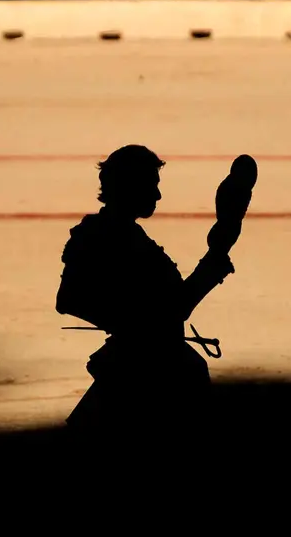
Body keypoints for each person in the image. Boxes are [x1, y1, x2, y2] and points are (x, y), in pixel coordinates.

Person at [56, 145, 236, 440]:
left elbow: (173, 307)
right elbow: (69, 299)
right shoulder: (102, 234)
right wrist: (137, 325)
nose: (157, 195)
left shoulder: (120, 234)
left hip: (151, 366)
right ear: (129, 186)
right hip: (144, 373)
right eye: (151, 185)